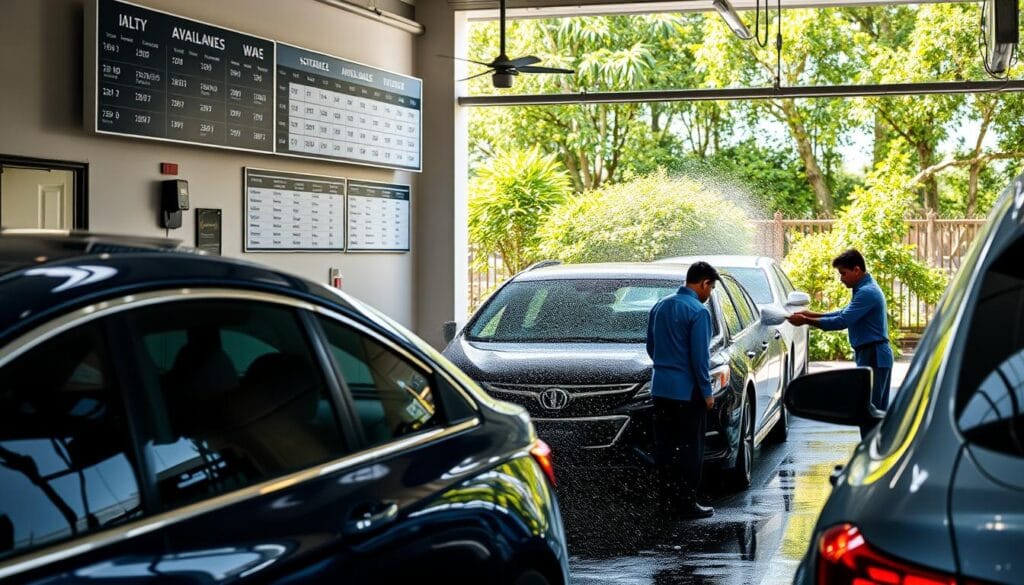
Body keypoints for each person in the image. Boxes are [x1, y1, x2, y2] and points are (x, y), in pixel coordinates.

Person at [787, 248, 893, 435]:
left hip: (874, 355)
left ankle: (873, 457)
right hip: (870, 353)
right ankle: (873, 455)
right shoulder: (864, 289)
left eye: (843, 273)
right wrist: (811, 314)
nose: (841, 278)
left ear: (857, 270)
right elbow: (842, 313)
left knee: (871, 414)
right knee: (870, 412)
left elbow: (842, 321)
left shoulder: (867, 292)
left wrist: (806, 320)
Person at [646, 261, 719, 519]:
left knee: (664, 448)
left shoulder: (661, 305)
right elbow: (700, 358)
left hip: (660, 388)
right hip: (688, 392)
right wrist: (707, 392)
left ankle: (665, 501)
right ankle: (687, 503)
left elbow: (651, 346)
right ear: (704, 283)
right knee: (691, 448)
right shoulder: (698, 312)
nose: (709, 294)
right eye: (710, 288)